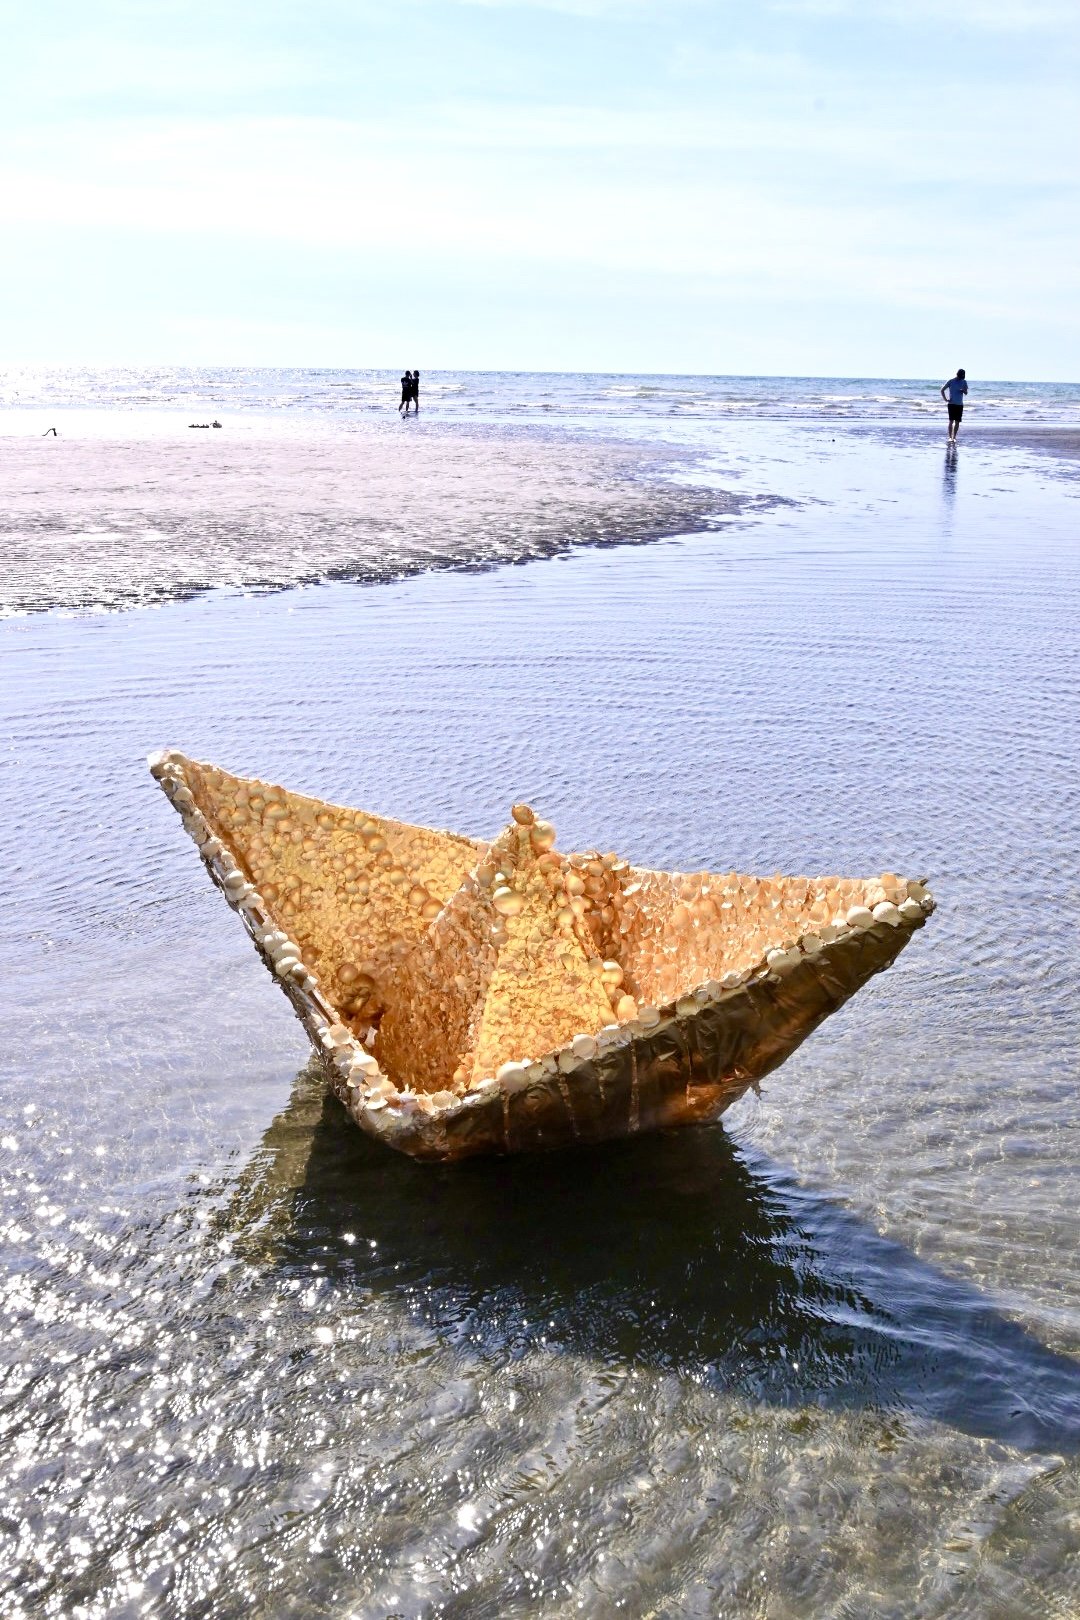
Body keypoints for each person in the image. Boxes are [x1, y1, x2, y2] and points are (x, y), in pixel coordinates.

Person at [940, 368, 968, 443]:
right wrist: (945, 399)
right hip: (951, 404)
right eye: (960, 376)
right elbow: (942, 390)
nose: (961, 378)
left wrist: (963, 391)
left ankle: (954, 437)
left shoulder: (964, 382)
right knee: (951, 421)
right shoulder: (951, 381)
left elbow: (966, 393)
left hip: (960, 404)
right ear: (957, 374)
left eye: (962, 376)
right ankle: (950, 437)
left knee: (957, 422)